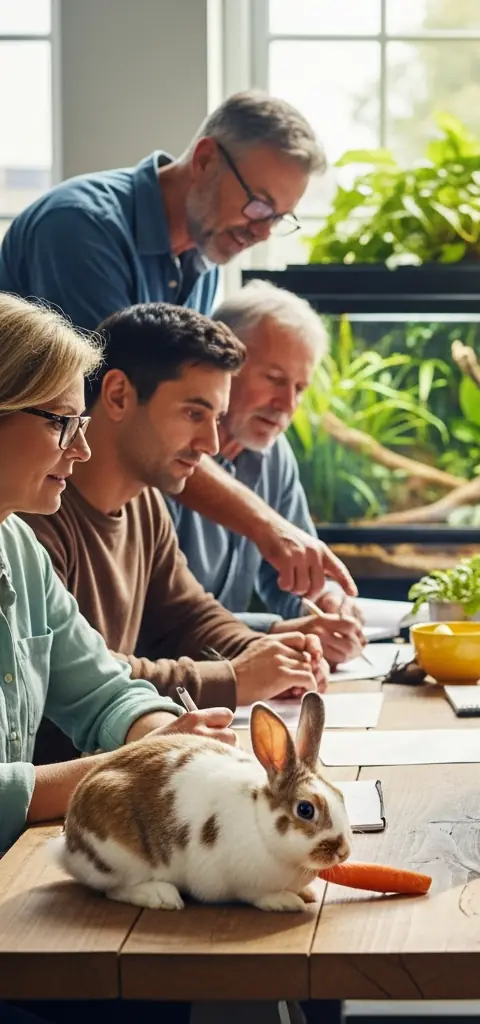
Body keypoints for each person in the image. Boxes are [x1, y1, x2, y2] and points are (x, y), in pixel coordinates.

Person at [0, 89, 357, 616]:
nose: (261, 232)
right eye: (259, 205)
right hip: (47, 523)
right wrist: (267, 527)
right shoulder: (81, 228)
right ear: (207, 158)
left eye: (279, 218)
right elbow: (105, 417)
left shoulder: (201, 265)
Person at [20, 303, 328, 766]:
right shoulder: (31, 516)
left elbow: (187, 615)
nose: (212, 446)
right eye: (193, 413)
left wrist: (267, 655)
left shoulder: (145, 504)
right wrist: (234, 677)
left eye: (216, 419)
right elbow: (86, 672)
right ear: (119, 395)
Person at [0, 293, 234, 855]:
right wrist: (133, 764)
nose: (81, 448)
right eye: (61, 422)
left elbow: (105, 693)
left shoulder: (18, 546)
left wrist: (171, 740)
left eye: (81, 422)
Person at [165, 280, 364, 667]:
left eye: (300, 388)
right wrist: (275, 630)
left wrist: (327, 605)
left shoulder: (272, 454)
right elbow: (161, 622)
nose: (286, 405)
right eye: (273, 379)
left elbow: (295, 577)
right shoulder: (166, 457)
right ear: (221, 364)